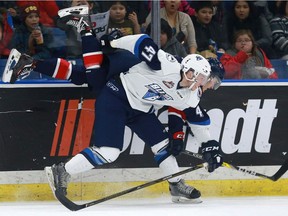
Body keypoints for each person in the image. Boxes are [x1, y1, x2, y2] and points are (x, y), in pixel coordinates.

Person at [3, 12, 222, 204]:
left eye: (203, 78)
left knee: (163, 145)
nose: (199, 82)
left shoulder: (191, 96)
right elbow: (142, 42)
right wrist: (111, 44)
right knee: (109, 151)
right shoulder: (166, 64)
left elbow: (199, 122)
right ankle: (62, 171)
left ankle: (176, 185)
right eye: (198, 75)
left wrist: (211, 146)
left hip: (140, 108)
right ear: (187, 69)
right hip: (116, 94)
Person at [167, 58, 224, 170]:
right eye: (215, 81)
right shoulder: (186, 85)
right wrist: (177, 134)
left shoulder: (194, 91)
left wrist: (210, 146)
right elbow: (177, 106)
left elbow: (191, 112)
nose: (213, 87)